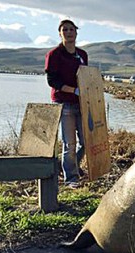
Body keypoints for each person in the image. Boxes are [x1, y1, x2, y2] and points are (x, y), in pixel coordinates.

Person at [45, 19, 88, 188]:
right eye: (65, 29)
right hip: (64, 103)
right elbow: (52, 80)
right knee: (69, 143)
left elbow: (85, 76)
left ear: (76, 32)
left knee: (86, 142)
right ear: (60, 33)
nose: (68, 32)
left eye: (71, 29)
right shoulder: (54, 54)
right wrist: (73, 90)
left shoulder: (82, 55)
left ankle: (71, 167)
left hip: (82, 103)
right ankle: (71, 178)